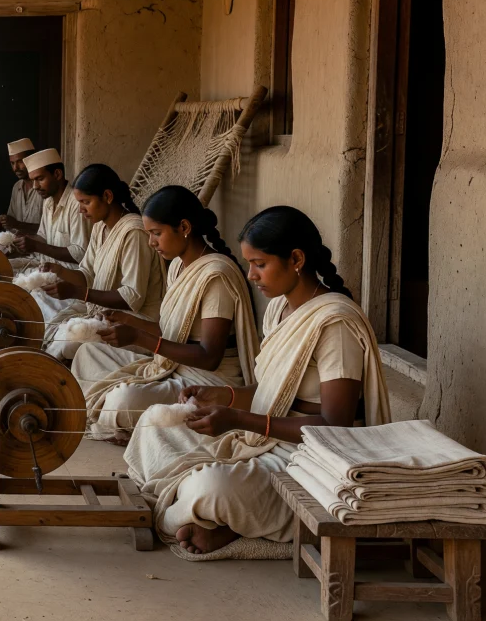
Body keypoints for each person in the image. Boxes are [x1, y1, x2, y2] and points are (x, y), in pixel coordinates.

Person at [125, 206, 389, 557]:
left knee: (210, 486)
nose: (250, 275)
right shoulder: (281, 308)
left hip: (307, 460)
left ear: (295, 258)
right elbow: (273, 393)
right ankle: (206, 517)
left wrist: (237, 419)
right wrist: (225, 395)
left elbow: (334, 426)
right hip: (261, 437)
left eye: (260, 264)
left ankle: (221, 520)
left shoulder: (334, 324)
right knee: (154, 424)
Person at [72, 185, 260, 442]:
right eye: (150, 234)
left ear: (184, 228)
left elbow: (209, 357)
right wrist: (129, 323)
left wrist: (139, 339)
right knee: (89, 352)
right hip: (172, 366)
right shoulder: (177, 268)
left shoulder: (216, 275)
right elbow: (171, 332)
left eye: (157, 233)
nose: (151, 242)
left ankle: (134, 427)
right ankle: (133, 426)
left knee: (122, 401)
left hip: (205, 379)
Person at [38, 163, 166, 360]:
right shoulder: (100, 228)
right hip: (105, 314)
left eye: (86, 202)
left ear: (107, 196)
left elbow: (132, 297)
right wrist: (59, 271)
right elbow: (86, 274)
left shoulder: (134, 232)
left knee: (69, 342)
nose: (81, 210)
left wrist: (78, 293)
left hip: (136, 323)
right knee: (54, 326)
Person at [6, 148, 91, 271]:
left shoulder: (76, 204)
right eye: (33, 180)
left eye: (40, 179)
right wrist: (21, 241)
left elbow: (80, 253)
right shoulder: (48, 201)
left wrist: (36, 246)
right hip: (46, 266)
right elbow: (43, 237)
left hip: (69, 275)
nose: (35, 186)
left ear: (57, 174)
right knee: (2, 267)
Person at [0, 137, 43, 234]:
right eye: (12, 163)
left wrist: (17, 224)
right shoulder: (17, 187)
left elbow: (49, 230)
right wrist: (4, 221)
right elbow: (12, 223)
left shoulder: (44, 187)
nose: (15, 168)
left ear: (32, 158)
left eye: (20, 161)